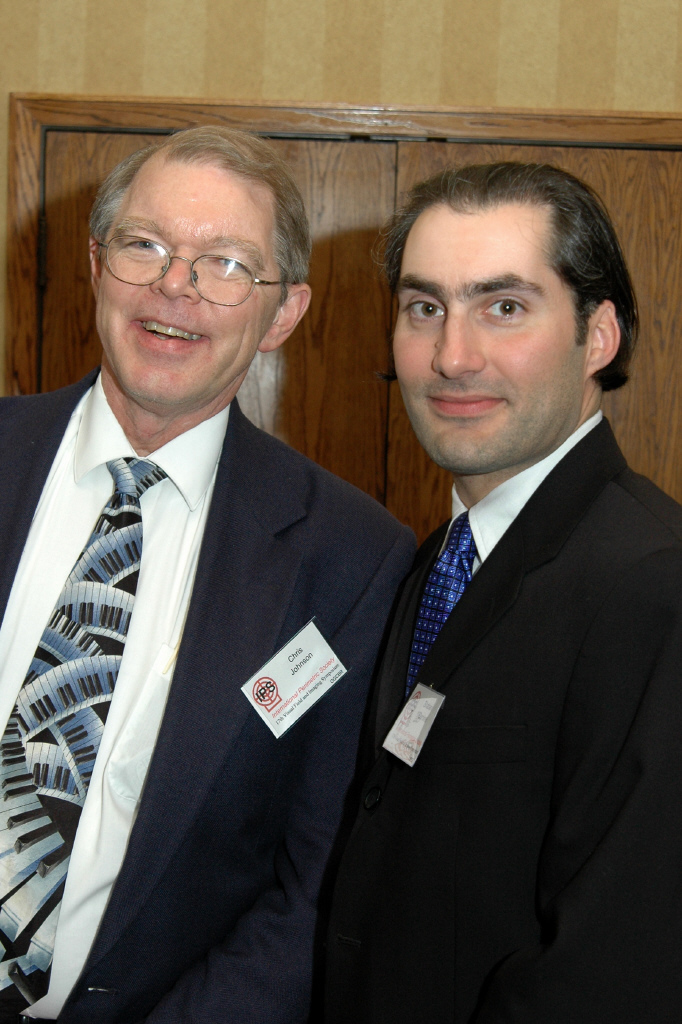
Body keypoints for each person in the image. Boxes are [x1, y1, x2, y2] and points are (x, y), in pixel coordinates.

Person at [0, 126, 415, 1024]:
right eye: (145, 244)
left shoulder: (350, 560)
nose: (174, 287)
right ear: (97, 265)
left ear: (283, 315)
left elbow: (313, 887)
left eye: (226, 264)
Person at [324, 162, 682, 1023]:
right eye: (425, 308)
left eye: (505, 307)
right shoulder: (440, 560)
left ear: (599, 337)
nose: (453, 356)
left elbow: (617, 968)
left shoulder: (652, 582)